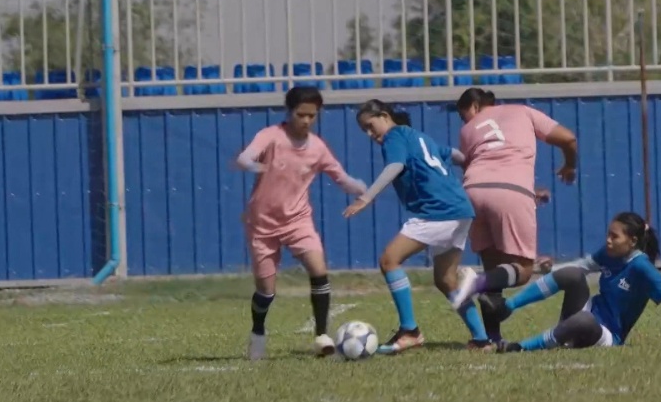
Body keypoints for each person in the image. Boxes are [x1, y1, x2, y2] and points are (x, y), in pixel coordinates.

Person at [342, 99, 493, 354]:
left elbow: (395, 166)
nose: (369, 134)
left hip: (438, 211)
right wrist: (474, 165)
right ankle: (481, 340)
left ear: (385, 116)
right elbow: (454, 155)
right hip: (460, 209)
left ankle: (410, 331)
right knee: (446, 279)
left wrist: (366, 198)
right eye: (364, 130)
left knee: (389, 260)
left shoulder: (394, 137)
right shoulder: (419, 137)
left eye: (370, 126)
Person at [235, 86, 368, 361]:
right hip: (262, 224)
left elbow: (340, 177)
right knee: (266, 291)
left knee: (318, 269)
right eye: (301, 114)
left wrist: (359, 188)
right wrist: (254, 165)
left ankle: (322, 337)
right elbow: (245, 157)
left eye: (312, 115)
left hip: (298, 220)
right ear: (289, 112)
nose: (306, 120)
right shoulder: (271, 136)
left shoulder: (317, 148)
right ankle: (258, 333)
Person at [446, 87, 578, 345]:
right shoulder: (523, 111)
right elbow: (569, 138)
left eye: (464, 115)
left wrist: (526, 192)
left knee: (493, 268)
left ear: (474, 106)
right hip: (511, 191)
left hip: (472, 192)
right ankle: (476, 283)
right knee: (524, 270)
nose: (465, 121)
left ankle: (493, 338)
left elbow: (485, 166)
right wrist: (570, 165)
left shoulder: (468, 130)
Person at [480, 212, 661, 352]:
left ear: (632, 241)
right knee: (573, 275)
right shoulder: (609, 253)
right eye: (608, 234)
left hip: (606, 335)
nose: (608, 240)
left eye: (614, 237)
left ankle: (519, 347)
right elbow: (583, 266)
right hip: (588, 313)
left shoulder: (642, 267)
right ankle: (506, 307)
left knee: (584, 321)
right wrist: (551, 269)